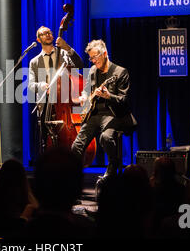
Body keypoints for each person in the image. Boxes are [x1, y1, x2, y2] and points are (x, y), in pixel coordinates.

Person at [71, 39, 137, 181]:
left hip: (113, 115)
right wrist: (84, 97)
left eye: (95, 57)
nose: (93, 60)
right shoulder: (93, 71)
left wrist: (109, 96)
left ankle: (113, 165)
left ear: (104, 54)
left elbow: (124, 100)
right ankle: (73, 181)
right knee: (76, 146)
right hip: (94, 114)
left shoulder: (120, 72)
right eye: (91, 58)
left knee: (105, 138)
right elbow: (86, 90)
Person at [28, 26, 84, 156]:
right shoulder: (34, 62)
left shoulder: (64, 54)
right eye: (43, 34)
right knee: (45, 140)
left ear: (53, 36)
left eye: (49, 33)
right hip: (46, 105)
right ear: (38, 39)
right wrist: (42, 85)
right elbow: (31, 85)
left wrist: (67, 47)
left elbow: (80, 65)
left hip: (64, 102)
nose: (47, 34)